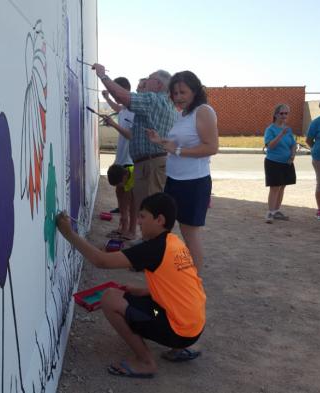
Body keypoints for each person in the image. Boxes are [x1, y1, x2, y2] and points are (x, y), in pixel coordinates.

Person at [56, 193, 206, 378]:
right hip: (194, 327)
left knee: (110, 298)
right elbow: (178, 287)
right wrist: (142, 291)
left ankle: (145, 362)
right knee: (138, 299)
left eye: (143, 217)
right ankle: (178, 348)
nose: (139, 222)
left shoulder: (152, 249)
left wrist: (68, 233)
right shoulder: (175, 243)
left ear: (159, 220)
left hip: (178, 330)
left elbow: (101, 261)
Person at [145, 71, 219, 270]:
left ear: (195, 91)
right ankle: (170, 270)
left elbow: (211, 147)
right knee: (164, 226)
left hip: (193, 182)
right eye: (175, 93)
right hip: (173, 179)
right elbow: (178, 145)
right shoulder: (183, 114)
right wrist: (160, 141)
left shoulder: (203, 111)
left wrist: (176, 149)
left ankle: (194, 284)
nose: (178, 97)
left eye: (182, 92)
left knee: (190, 234)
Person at [93, 64, 177, 236]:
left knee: (149, 210)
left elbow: (121, 95)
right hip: (151, 162)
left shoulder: (153, 100)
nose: (145, 83)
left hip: (150, 164)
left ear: (159, 85)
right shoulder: (164, 103)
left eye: (148, 80)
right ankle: (148, 244)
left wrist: (102, 75)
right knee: (147, 208)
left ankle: (150, 248)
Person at [102, 77, 136, 218]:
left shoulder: (134, 111)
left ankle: (127, 225)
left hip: (129, 160)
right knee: (119, 191)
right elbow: (118, 108)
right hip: (121, 158)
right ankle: (122, 216)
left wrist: (113, 124)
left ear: (124, 90)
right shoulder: (124, 109)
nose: (114, 96)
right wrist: (107, 97)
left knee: (128, 195)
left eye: (114, 92)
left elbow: (131, 136)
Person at [263, 104, 296, 223]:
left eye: (286, 113)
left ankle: (276, 211)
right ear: (276, 115)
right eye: (281, 113)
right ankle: (270, 213)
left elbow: (293, 144)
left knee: (282, 187)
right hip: (273, 162)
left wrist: (292, 155)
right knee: (275, 187)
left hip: (286, 163)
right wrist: (281, 134)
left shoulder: (289, 129)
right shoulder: (270, 129)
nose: (284, 116)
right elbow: (270, 145)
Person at [106, 164, 136, 240]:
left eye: (119, 184)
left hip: (137, 185)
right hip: (127, 180)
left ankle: (132, 232)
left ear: (125, 176)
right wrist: (121, 211)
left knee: (133, 208)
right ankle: (123, 229)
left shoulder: (134, 174)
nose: (118, 186)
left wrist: (124, 216)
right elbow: (120, 199)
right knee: (119, 192)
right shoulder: (122, 174)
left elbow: (128, 202)